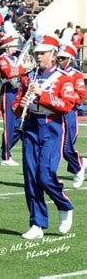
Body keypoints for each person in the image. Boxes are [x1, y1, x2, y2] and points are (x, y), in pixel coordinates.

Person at [12, 33, 75, 239]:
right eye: (37, 53)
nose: (38, 56)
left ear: (53, 54)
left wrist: (43, 95)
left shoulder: (63, 78)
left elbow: (66, 105)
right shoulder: (29, 76)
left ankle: (64, 205)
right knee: (30, 177)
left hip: (51, 127)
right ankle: (37, 223)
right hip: (30, 126)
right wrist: (19, 106)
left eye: (43, 53)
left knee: (45, 175)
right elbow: (17, 104)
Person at [0, 33, 32, 166]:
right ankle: (5, 157)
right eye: (12, 45)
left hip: (17, 91)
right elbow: (9, 73)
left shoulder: (13, 58)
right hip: (8, 92)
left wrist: (27, 65)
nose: (15, 48)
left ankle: (4, 149)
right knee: (9, 125)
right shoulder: (3, 59)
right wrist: (23, 68)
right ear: (7, 46)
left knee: (20, 125)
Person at [56, 42, 85, 189]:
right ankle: (80, 163)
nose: (59, 60)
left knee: (66, 147)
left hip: (68, 113)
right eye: (58, 58)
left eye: (62, 58)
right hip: (55, 113)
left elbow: (80, 95)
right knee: (56, 146)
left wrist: (66, 96)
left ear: (70, 59)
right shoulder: (54, 73)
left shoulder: (76, 75)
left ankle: (79, 169)